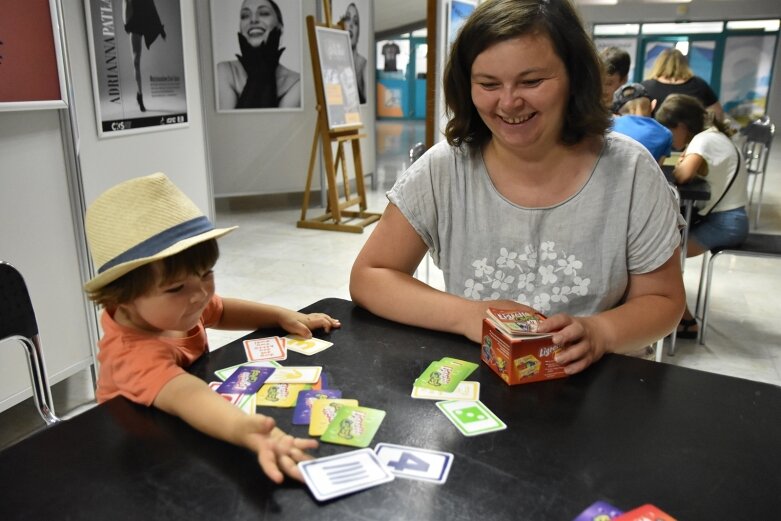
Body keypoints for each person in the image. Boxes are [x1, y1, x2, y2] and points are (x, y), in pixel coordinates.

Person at [350, 0, 685, 374]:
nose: (508, 102)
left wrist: (600, 332)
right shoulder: (444, 169)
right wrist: (470, 316)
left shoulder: (630, 171)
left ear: (574, 76)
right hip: (479, 385)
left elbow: (662, 299)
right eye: (488, 84)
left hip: (598, 389)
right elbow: (370, 276)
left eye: (531, 81)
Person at [83, 173, 341, 482]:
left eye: (206, 273)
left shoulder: (179, 307)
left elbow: (221, 310)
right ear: (122, 298)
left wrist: (282, 316)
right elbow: (187, 395)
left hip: (183, 426)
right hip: (145, 450)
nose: (200, 294)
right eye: (176, 287)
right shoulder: (131, 354)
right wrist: (243, 428)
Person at [654, 94, 749, 338]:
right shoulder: (711, 137)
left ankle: (684, 321)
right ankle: (680, 319)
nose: (668, 137)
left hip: (726, 223)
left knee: (664, 256)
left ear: (682, 127)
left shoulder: (703, 141)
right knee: (665, 252)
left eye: (669, 130)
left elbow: (683, 175)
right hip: (730, 219)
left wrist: (681, 162)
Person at [216, 0, 300, 109]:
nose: (253, 20)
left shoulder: (296, 83)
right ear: (240, 29)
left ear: (281, 29)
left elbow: (274, 125)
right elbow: (227, 125)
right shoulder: (225, 71)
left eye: (264, 13)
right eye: (245, 15)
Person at [642, 48, 724, 121]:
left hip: (655, 136)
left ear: (659, 64)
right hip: (691, 136)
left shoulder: (646, 87)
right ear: (684, 64)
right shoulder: (699, 85)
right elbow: (718, 115)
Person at [611, 82, 673, 165]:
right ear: (652, 106)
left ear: (616, 114)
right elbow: (657, 170)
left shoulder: (606, 126)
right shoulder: (665, 134)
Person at [123, 0, 166, 112]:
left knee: (136, 61)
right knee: (136, 62)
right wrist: (126, 23)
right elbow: (125, 3)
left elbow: (152, 8)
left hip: (142, 22)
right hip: (133, 23)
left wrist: (161, 30)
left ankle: (139, 95)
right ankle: (140, 95)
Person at [340, 2, 367, 104]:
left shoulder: (363, 65)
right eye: (347, 18)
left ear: (358, 33)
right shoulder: (335, 62)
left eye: (355, 22)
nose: (351, 25)